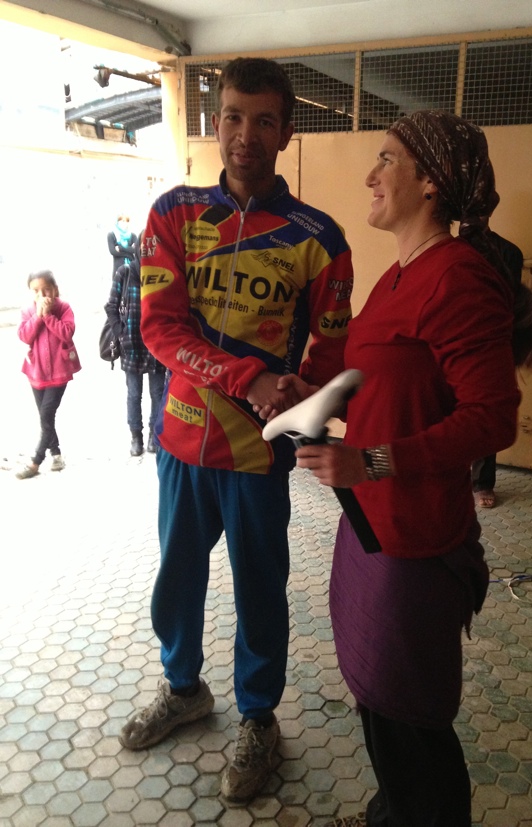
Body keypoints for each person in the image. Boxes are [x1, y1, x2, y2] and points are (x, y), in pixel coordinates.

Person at [295, 110, 532, 827]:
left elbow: (492, 418)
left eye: (387, 159)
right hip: (372, 527)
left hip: (413, 539)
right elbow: (382, 383)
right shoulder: (401, 275)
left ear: (430, 182)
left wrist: (368, 459)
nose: (371, 175)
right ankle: (392, 811)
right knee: (381, 701)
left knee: (410, 721)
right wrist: (310, 392)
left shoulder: (455, 278)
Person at [119, 57, 353, 803]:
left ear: (286, 130)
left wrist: (300, 390)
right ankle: (182, 686)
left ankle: (259, 717)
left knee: (261, 589)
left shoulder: (320, 237)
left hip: (261, 452)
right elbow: (159, 326)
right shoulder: (173, 213)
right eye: (231, 116)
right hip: (183, 440)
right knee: (176, 578)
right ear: (213, 121)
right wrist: (244, 376)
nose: (244, 134)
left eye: (261, 120)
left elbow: (333, 348)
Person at [472, 232, 525, 509]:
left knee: (485, 408)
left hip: (488, 337)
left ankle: (482, 482)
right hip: (444, 334)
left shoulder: (509, 252)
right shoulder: (441, 246)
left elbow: (510, 300)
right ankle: (445, 478)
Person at [104, 233, 166, 456]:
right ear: (138, 247)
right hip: (132, 345)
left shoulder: (163, 274)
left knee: (158, 392)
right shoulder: (125, 272)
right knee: (134, 394)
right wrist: (121, 334)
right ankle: (136, 437)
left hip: (157, 346)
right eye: (144, 245)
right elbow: (111, 306)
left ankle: (153, 435)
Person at [16, 270, 81, 479]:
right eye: (36, 291)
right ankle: (56, 454)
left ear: (55, 289)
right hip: (36, 372)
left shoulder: (63, 308)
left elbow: (66, 333)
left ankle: (36, 461)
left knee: (46, 414)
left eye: (46, 289)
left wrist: (48, 316)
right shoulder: (28, 311)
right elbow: (24, 336)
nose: (42, 295)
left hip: (60, 372)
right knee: (45, 418)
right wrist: (38, 316)